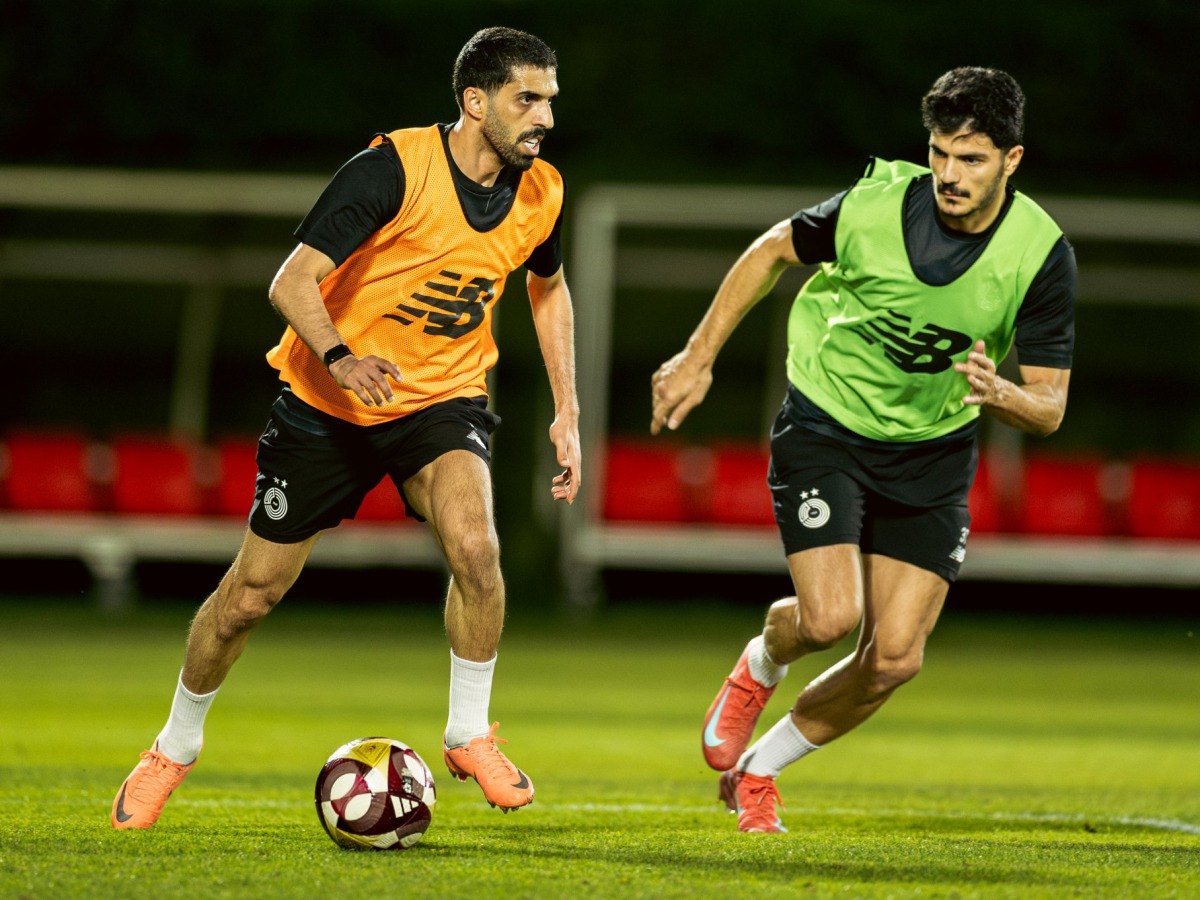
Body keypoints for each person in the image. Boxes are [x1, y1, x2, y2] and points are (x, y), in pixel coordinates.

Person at [112, 26, 580, 829]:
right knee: (250, 597)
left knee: (477, 549)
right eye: (527, 99)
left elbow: (549, 286)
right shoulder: (392, 169)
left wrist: (567, 409)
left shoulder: (543, 191)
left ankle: (468, 733)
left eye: (550, 100)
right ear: (475, 102)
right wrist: (339, 356)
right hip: (327, 406)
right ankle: (173, 748)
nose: (545, 117)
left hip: (439, 401)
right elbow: (290, 281)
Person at [650, 67, 1075, 834]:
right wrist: (697, 356)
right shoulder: (875, 206)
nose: (950, 173)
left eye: (972, 158)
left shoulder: (1040, 254)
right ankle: (760, 664)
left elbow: (1049, 406)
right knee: (828, 619)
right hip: (829, 424)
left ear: (1012, 161)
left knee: (896, 659)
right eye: (940, 152)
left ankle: (758, 772)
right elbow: (771, 250)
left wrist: (1004, 395)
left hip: (932, 452)